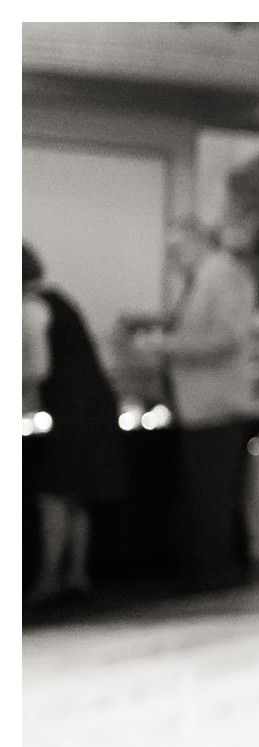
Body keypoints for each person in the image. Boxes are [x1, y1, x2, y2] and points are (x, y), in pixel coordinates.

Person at [136, 218, 259, 592]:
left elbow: (226, 337)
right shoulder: (203, 277)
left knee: (212, 496)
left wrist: (163, 346)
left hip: (216, 404)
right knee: (200, 495)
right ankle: (199, 570)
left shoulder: (223, 276)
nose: (172, 259)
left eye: (176, 250)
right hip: (197, 404)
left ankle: (213, 574)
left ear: (198, 242)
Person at [22, 243, 127, 608]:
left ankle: (48, 579)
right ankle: (77, 575)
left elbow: (37, 368)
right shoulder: (57, 298)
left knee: (52, 492)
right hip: (95, 405)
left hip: (70, 408)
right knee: (76, 491)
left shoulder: (30, 309)